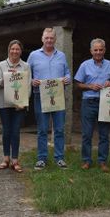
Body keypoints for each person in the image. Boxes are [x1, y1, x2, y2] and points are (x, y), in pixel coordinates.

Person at [27, 27, 71, 170]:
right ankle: (42, 158)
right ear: (42, 39)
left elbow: (68, 74)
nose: (49, 40)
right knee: (42, 129)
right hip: (40, 96)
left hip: (58, 95)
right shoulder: (33, 55)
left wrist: (67, 79)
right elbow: (26, 74)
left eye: (51, 38)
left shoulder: (62, 56)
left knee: (59, 129)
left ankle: (59, 158)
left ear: (55, 39)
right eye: (46, 38)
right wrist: (31, 81)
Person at [74, 38, 110, 172]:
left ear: (104, 50)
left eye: (101, 50)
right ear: (91, 51)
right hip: (89, 102)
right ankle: (86, 161)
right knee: (86, 134)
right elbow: (77, 84)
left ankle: (102, 161)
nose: (98, 52)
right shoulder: (85, 65)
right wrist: (89, 86)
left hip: (106, 102)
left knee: (104, 134)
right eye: (95, 50)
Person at [0, 40, 31, 173]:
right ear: (9, 50)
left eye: (17, 49)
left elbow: (28, 85)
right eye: (12, 49)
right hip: (4, 103)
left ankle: (15, 160)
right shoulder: (2, 65)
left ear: (21, 51)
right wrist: (7, 78)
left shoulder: (26, 66)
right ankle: (5, 158)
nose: (15, 51)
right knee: (6, 131)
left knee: (15, 131)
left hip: (19, 104)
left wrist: (23, 102)